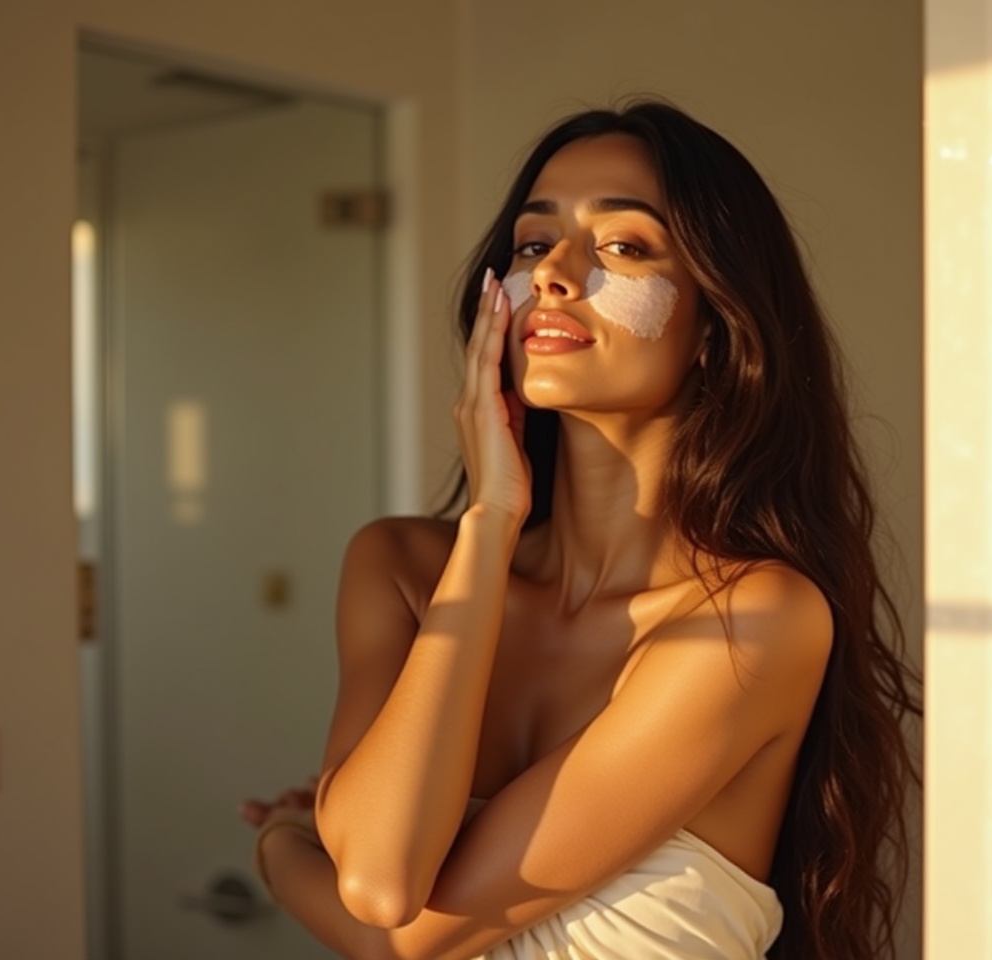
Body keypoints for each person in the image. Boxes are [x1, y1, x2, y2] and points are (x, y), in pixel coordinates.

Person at [242, 99, 921, 960]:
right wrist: (489, 529)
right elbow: (385, 871)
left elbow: (396, 925)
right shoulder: (401, 566)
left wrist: (278, 847)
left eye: (624, 247)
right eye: (533, 244)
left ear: (715, 326)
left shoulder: (753, 619)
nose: (555, 274)